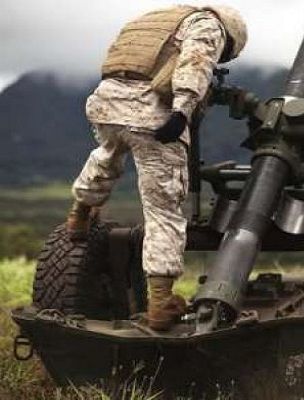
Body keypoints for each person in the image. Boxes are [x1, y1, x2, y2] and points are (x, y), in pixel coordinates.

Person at [66, 4, 247, 330]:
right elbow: (195, 62)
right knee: (163, 208)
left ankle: (79, 214)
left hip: (106, 103)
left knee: (106, 155)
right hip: (150, 114)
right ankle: (161, 304)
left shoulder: (153, 20)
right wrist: (182, 111)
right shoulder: (209, 24)